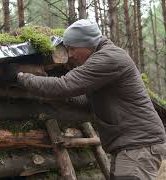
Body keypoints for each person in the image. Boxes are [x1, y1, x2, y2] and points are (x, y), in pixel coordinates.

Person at [16, 19, 166, 180]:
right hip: (131, 145)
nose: (70, 54)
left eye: (73, 48)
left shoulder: (109, 58)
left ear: (87, 44)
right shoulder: (103, 60)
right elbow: (86, 102)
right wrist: (53, 92)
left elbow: (64, 85)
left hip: (139, 145)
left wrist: (22, 77)